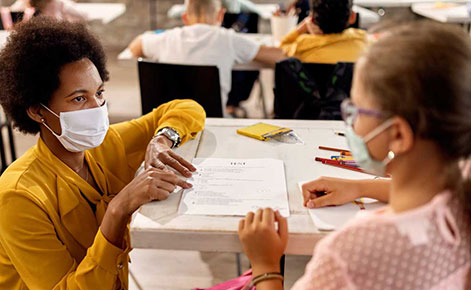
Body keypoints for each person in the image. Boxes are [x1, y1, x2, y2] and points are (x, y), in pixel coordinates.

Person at [238, 21, 471, 289]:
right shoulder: (461, 199)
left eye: (357, 110)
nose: (351, 121)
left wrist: (266, 266)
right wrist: (360, 186)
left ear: (398, 135)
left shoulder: (349, 254)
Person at [0, 17, 205, 289]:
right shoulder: (18, 196)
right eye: (79, 98)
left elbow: (187, 108)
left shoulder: (105, 146)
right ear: (37, 111)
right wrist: (119, 208)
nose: (97, 108)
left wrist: (162, 138)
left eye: (99, 92)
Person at [128, 0, 286, 117]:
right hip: (214, 122)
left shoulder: (166, 39)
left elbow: (135, 47)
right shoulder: (228, 39)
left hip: (167, 122)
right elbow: (279, 56)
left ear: (185, 17)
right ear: (220, 15)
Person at [280, 0, 366, 64]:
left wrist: (303, 27)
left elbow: (282, 48)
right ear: (353, 17)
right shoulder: (364, 42)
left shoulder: (302, 46)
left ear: (311, 18)